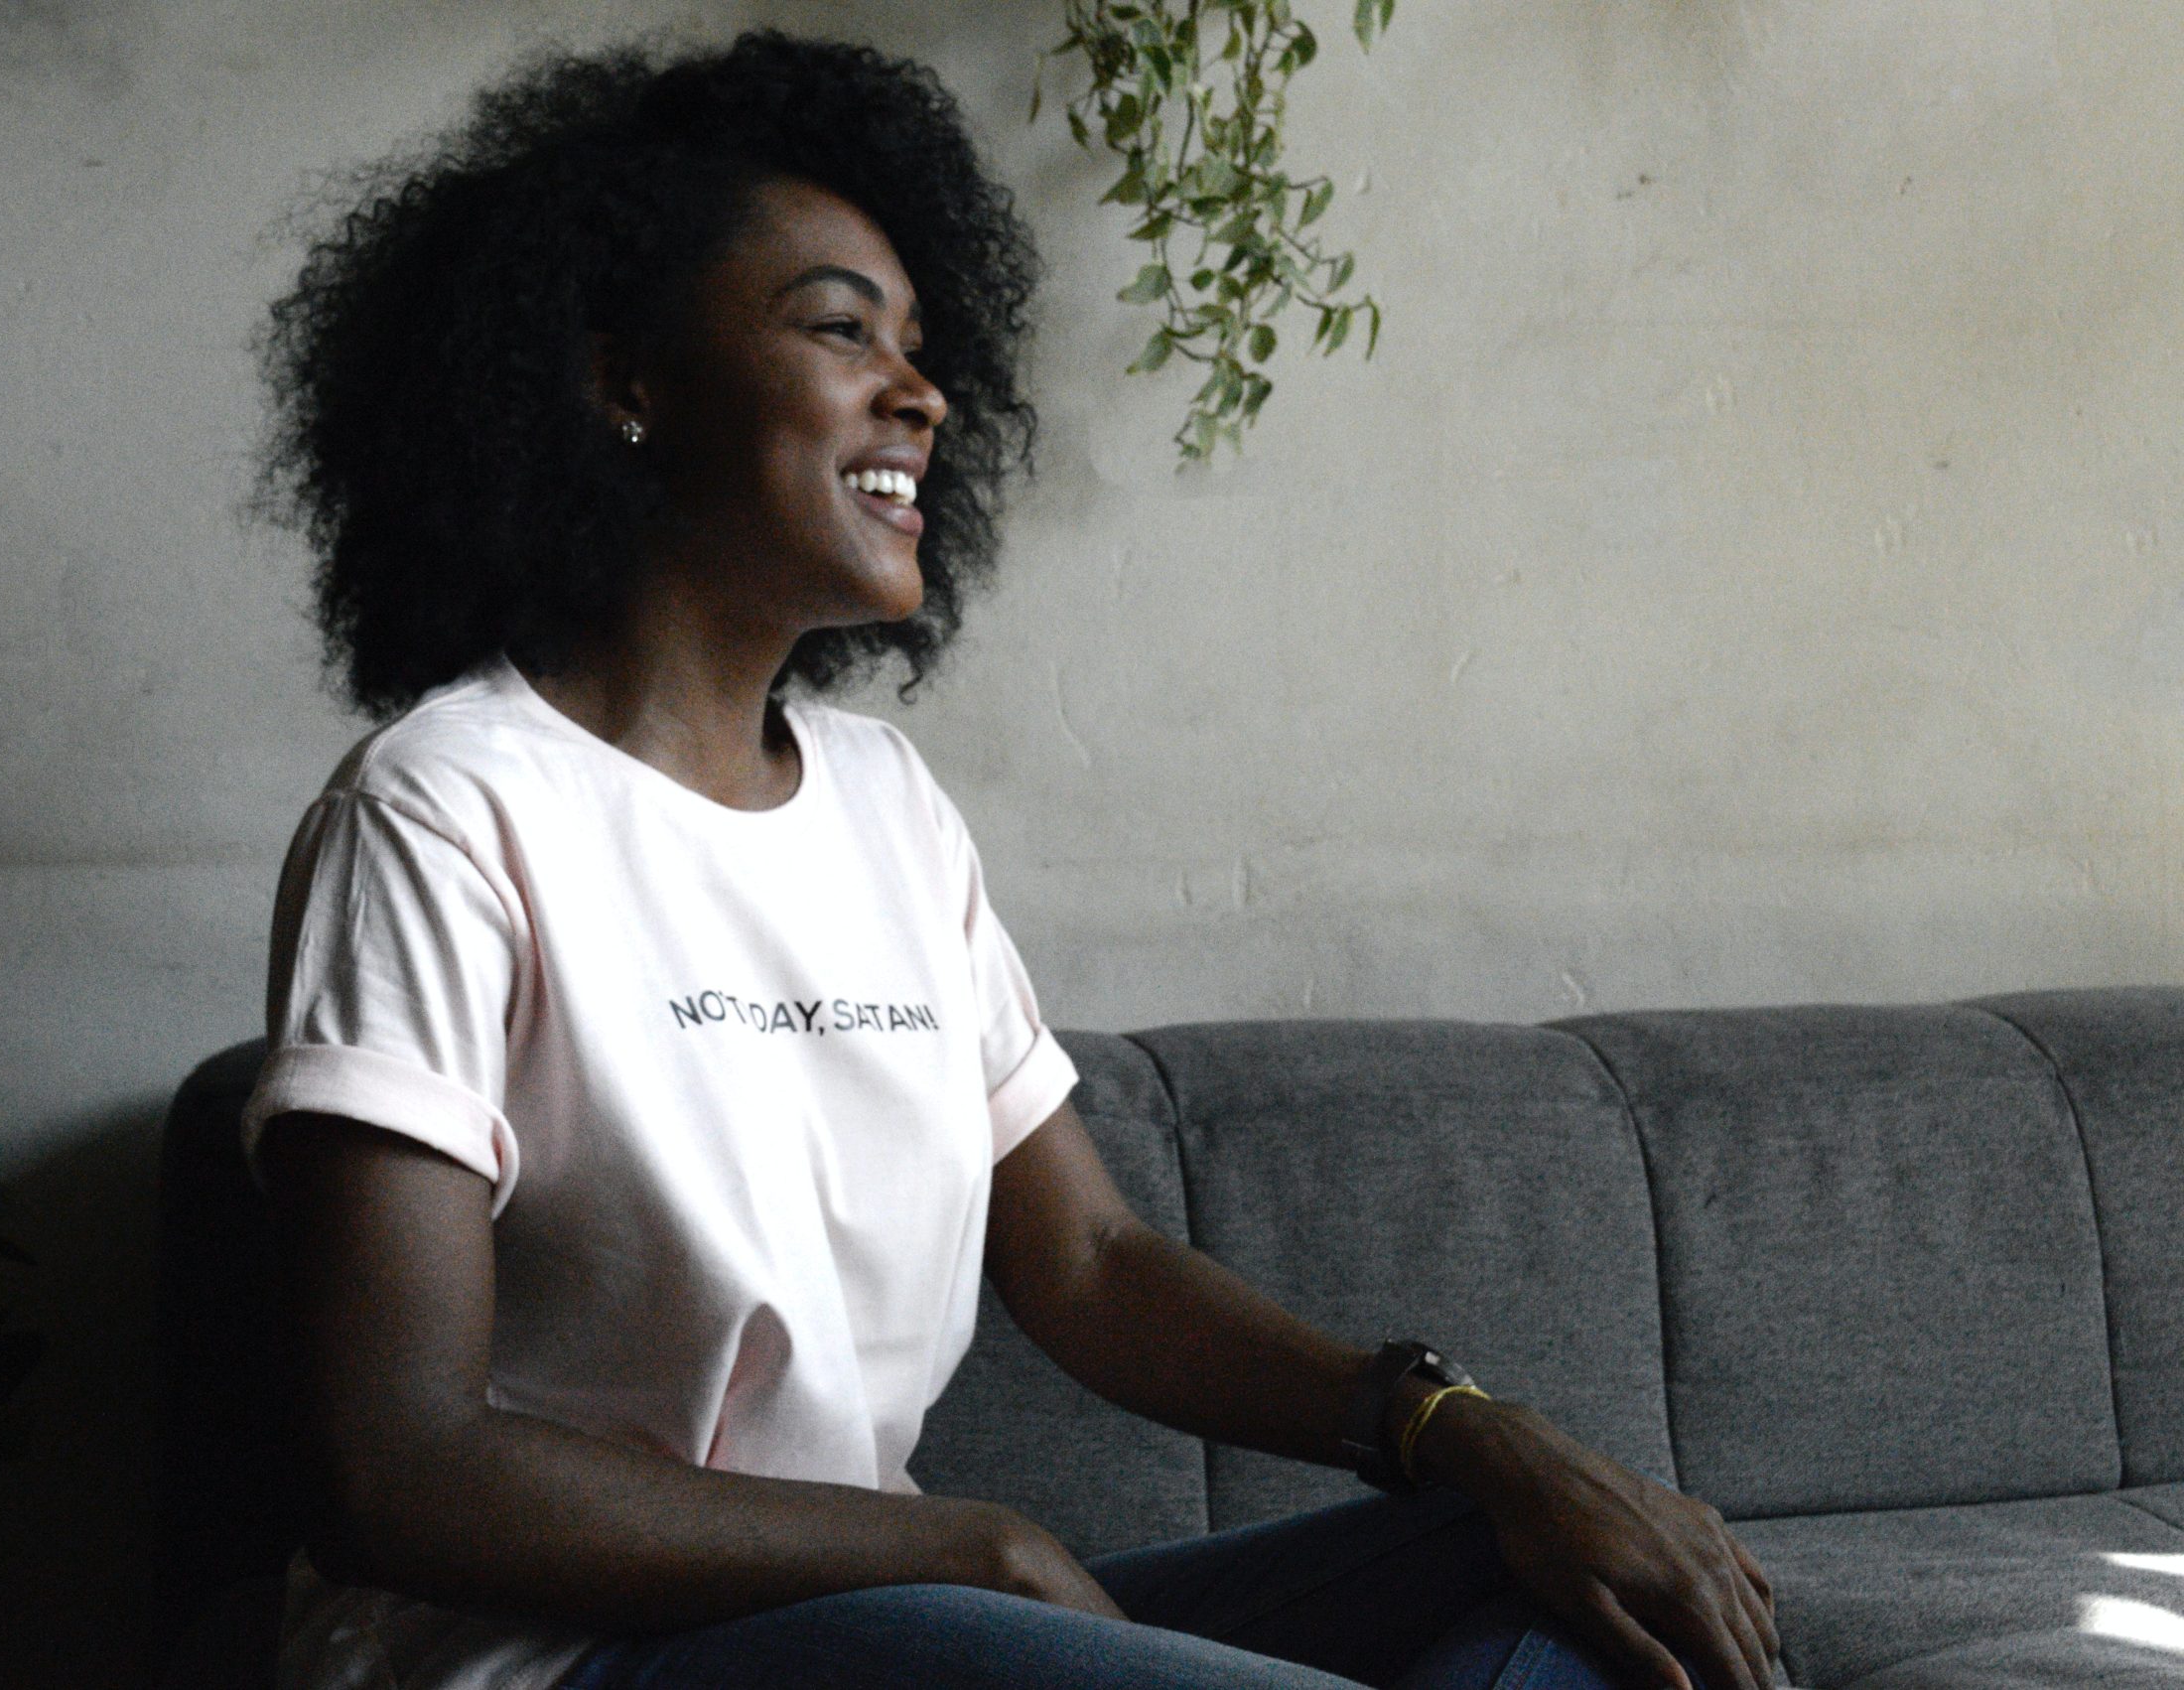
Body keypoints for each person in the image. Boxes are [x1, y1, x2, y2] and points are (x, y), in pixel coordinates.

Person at [243, 29, 1779, 1690]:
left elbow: (1096, 1265)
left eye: (921, 341)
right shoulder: (445, 811)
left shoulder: (886, 804)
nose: (923, 388)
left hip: (876, 1623)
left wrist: (1456, 1425)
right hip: (561, 1658)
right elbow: (397, 1470)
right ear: (626, 382)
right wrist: (965, 1541)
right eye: (841, 328)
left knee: (1588, 1584)